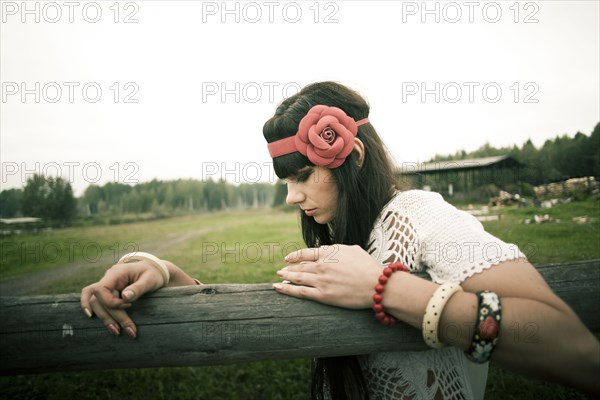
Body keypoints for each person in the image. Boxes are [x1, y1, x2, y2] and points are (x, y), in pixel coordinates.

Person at [81, 81, 600, 399]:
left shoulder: (418, 215)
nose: (291, 197)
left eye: (302, 176)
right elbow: (265, 318)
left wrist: (388, 289)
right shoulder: (343, 239)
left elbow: (574, 350)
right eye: (286, 181)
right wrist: (161, 270)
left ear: (350, 156)